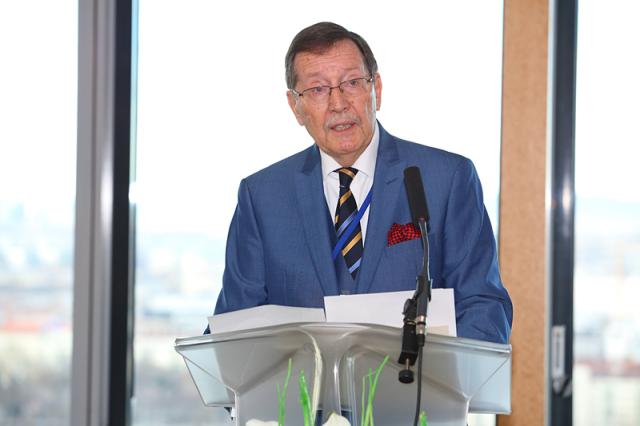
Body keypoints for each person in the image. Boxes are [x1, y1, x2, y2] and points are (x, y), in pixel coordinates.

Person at [210, 21, 512, 344]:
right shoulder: (263, 197)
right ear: (295, 106)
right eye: (317, 90)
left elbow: (484, 307)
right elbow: (233, 329)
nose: (338, 104)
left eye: (352, 82)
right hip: (305, 395)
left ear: (376, 89)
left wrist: (446, 383)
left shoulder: (446, 180)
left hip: (419, 390)